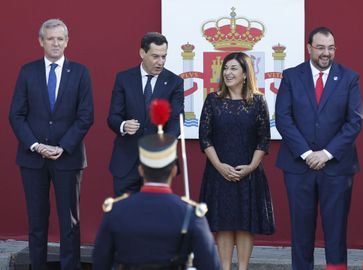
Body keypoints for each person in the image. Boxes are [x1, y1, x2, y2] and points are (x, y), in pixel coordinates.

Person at [275, 27, 363, 268]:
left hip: (336, 167)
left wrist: (325, 154)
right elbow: (283, 118)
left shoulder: (349, 78)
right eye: (321, 47)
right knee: (301, 232)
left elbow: (354, 121)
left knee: (335, 233)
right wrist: (306, 153)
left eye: (331, 48)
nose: (326, 53)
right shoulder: (291, 77)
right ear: (309, 48)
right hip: (298, 166)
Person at [8, 18, 94, 269]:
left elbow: (86, 115)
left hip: (67, 158)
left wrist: (62, 146)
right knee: (37, 223)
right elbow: (16, 114)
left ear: (67, 41)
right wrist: (35, 145)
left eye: (60, 38)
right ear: (41, 41)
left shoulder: (80, 72)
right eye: (50, 38)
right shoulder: (27, 71)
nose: (55, 43)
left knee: (70, 223)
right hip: (33, 158)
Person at [93, 129, 220, 269]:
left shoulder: (116, 211)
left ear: (140, 170)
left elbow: (100, 262)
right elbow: (210, 265)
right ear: (173, 171)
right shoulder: (191, 214)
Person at [198, 52, 275, 270]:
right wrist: (220, 166)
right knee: (223, 225)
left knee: (244, 225)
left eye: (233, 68)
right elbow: (205, 138)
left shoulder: (258, 101)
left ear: (245, 73)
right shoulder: (213, 100)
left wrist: (251, 166)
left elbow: (264, 139)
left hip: (248, 172)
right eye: (226, 68)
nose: (228, 73)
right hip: (218, 171)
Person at [107, 32, 184, 196]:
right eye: (155, 56)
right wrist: (123, 125)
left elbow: (176, 122)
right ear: (142, 53)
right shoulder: (124, 78)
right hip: (126, 162)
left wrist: (162, 147)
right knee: (124, 214)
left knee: (154, 216)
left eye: (164, 56)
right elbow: (113, 117)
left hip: (158, 163)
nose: (160, 62)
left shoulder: (175, 82)